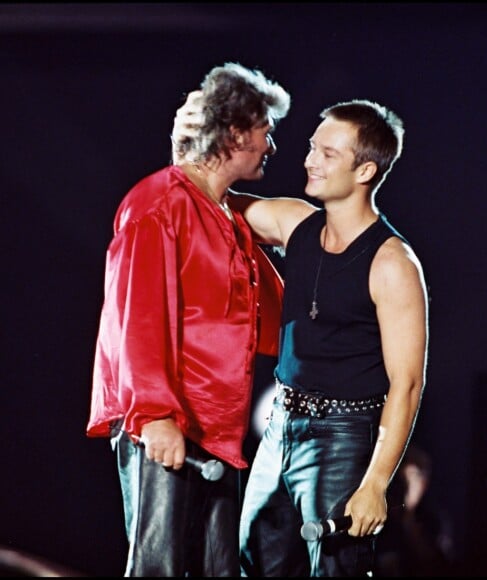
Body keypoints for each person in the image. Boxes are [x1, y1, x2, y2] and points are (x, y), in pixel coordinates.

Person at [172, 94, 429, 576]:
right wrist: (190, 142)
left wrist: (375, 483)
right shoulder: (295, 222)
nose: (310, 160)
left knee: (335, 568)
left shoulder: (392, 263)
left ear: (365, 172)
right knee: (254, 559)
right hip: (279, 426)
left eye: (328, 154)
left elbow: (408, 383)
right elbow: (206, 195)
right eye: (312, 147)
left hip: (344, 436)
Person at [86, 62, 291, 577]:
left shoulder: (218, 210)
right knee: (162, 567)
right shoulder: (158, 204)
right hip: (170, 419)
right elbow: (136, 317)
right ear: (238, 131)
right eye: (267, 131)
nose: (271, 145)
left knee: (214, 569)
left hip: (214, 422)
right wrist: (155, 415)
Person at [373, 444, 455, 577]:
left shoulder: (433, 521)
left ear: (424, 483)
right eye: (403, 478)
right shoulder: (383, 516)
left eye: (413, 476)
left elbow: (439, 563)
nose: (407, 485)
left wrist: (409, 523)